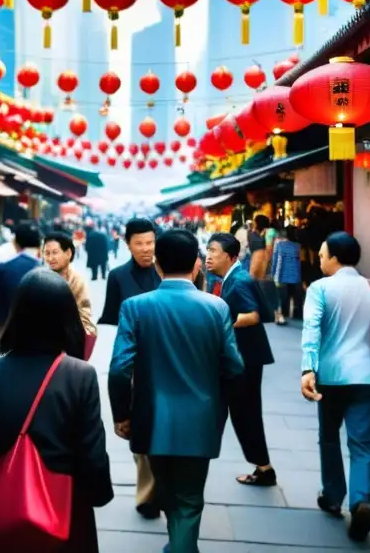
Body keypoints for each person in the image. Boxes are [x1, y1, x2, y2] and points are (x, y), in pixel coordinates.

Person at [0, 270, 113, 551]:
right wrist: (96, 494)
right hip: (68, 516)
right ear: (68, 317)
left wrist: (4, 473)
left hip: (7, 518)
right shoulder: (80, 376)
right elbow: (93, 456)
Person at [109, 230, 244, 552]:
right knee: (188, 499)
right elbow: (235, 366)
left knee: (169, 494)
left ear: (157, 264)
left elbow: (118, 369)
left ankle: (177, 545)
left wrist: (122, 414)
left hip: (151, 417)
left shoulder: (135, 307)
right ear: (196, 265)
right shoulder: (217, 308)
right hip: (200, 418)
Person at [300, 232, 370, 542]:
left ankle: (332, 496)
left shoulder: (320, 288)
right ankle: (360, 501)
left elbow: (312, 329)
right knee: (362, 443)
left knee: (328, 438)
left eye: (322, 254)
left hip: (330, 377)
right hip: (366, 376)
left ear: (335, 257)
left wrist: (307, 368)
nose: (319, 259)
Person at [98, 217, 162, 518]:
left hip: (168, 359)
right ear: (128, 245)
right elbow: (111, 321)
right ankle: (148, 495)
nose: (146, 249)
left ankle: (166, 486)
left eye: (150, 242)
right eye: (139, 243)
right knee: (141, 428)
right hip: (134, 361)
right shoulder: (118, 276)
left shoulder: (171, 271)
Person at [205, 233, 276, 487]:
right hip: (244, 358)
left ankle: (264, 467)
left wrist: (219, 326)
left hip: (246, 359)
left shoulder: (239, 281)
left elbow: (252, 316)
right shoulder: (231, 278)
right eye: (208, 250)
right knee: (243, 412)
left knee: (244, 412)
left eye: (214, 251)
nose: (209, 256)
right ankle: (263, 466)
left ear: (231, 256)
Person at [43, 231, 97, 359]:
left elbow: (85, 315)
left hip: (69, 347)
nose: (50, 258)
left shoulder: (77, 281)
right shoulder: (40, 279)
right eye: (47, 253)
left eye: (55, 252)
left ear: (68, 253)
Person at [0, 222, 42, 330]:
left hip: (9, 331)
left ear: (16, 243)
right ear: (39, 244)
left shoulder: (3, 268)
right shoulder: (49, 271)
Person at [272, 226, 303, 324]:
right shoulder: (298, 246)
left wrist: (273, 274)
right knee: (295, 298)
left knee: (283, 299)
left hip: (283, 277)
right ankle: (296, 316)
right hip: (295, 276)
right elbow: (299, 263)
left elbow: (276, 260)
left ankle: (284, 316)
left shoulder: (280, 245)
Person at [248, 215, 270, 280]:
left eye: (255, 222)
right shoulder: (252, 234)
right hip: (257, 262)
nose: (253, 223)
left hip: (260, 263)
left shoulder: (253, 234)